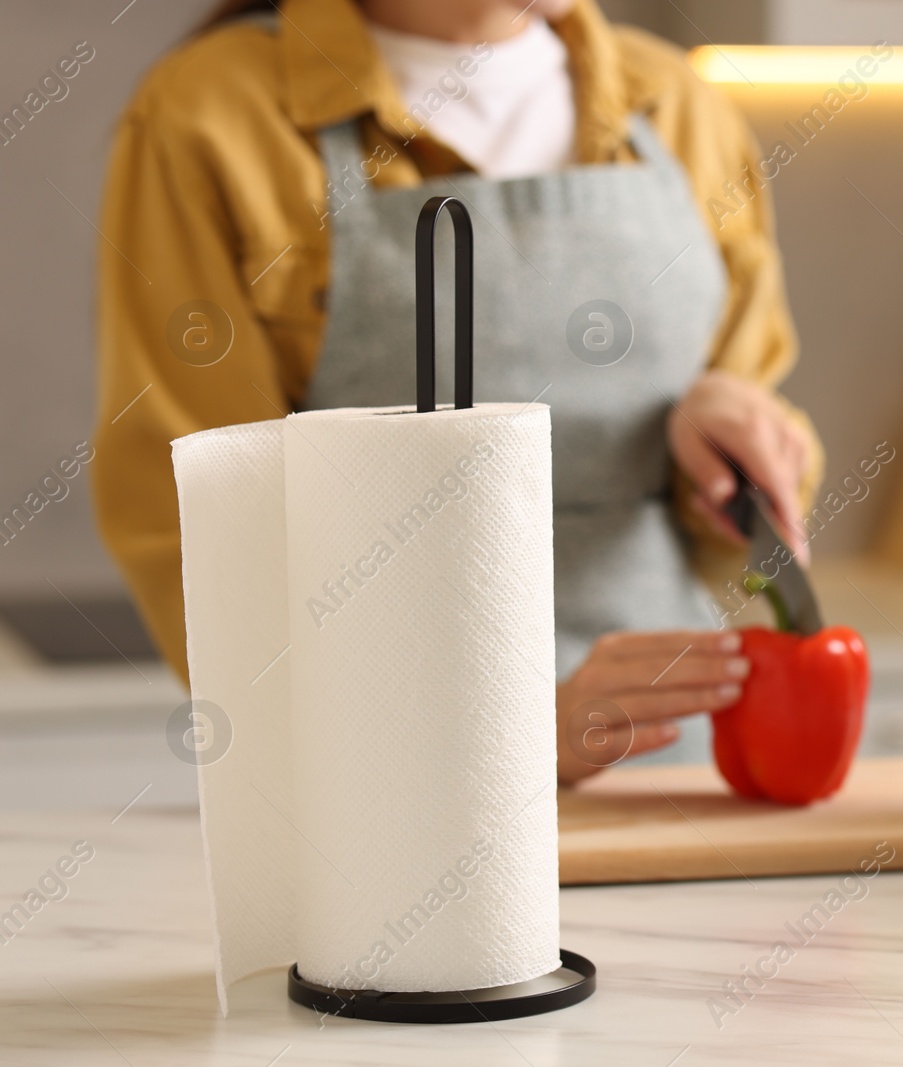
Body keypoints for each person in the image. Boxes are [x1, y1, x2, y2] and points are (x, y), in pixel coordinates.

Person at [92, 0, 821, 783]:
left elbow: (732, 524)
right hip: (396, 796)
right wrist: (495, 737)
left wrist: (727, 442)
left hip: (681, 769)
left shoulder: (677, 102)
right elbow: (204, 529)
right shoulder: (208, 113)